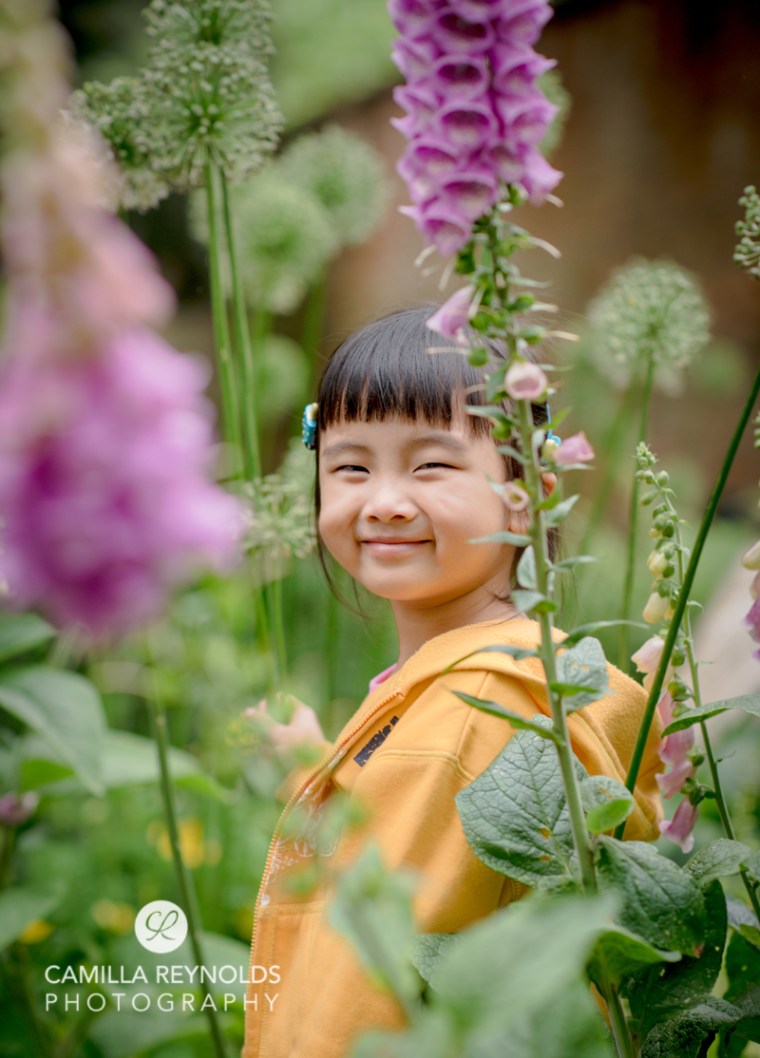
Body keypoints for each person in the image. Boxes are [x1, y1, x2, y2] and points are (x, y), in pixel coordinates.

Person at [241, 306, 663, 1058]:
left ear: (528, 486)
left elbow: (370, 969)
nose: (384, 501)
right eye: (350, 467)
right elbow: (429, 879)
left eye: (430, 464)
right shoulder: (509, 679)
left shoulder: (486, 705)